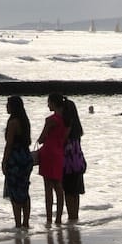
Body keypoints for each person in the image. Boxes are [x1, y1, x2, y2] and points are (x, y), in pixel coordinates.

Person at [37, 92, 69, 225]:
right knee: (59, 188)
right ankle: (59, 218)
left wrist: (42, 136)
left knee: (48, 189)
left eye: (49, 102)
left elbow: (42, 138)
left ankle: (49, 218)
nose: (47, 104)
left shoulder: (51, 120)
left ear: (54, 103)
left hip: (48, 153)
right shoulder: (67, 120)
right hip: (59, 153)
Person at [1, 95, 33, 228]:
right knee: (24, 190)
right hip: (25, 156)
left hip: (15, 158)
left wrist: (4, 161)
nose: (6, 107)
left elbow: (9, 144)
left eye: (8, 104)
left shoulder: (13, 122)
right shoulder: (24, 120)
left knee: (15, 192)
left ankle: (18, 223)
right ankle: (26, 222)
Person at [62, 98, 86, 221]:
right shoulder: (77, 127)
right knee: (75, 191)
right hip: (78, 161)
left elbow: (62, 141)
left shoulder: (67, 126)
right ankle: (74, 216)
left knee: (68, 191)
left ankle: (71, 216)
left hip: (68, 163)